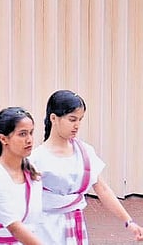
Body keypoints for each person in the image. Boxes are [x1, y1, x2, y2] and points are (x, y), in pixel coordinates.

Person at [31, 90, 143, 244]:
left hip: (75, 227)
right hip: (45, 229)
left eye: (80, 119)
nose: (77, 125)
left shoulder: (84, 152)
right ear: (53, 118)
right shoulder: (36, 159)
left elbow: (102, 189)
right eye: (72, 119)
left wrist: (128, 222)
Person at [0, 107, 43, 244]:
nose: (29, 140)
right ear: (4, 139)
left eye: (31, 133)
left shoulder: (31, 170)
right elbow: (15, 227)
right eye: (22, 134)